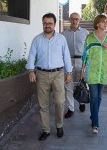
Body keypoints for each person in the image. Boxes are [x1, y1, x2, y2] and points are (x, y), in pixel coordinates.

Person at [26, 13, 73, 141]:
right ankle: (46, 130)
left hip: (58, 74)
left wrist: (69, 73)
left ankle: (59, 125)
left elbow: (67, 56)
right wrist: (31, 70)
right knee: (43, 105)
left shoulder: (61, 39)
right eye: (45, 23)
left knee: (59, 102)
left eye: (50, 23)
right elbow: (31, 56)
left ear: (54, 24)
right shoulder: (36, 39)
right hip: (41, 74)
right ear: (42, 24)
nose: (47, 25)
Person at [80, 15, 107, 134]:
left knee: (99, 97)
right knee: (94, 97)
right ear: (97, 23)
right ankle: (95, 124)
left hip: (104, 71)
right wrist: (82, 70)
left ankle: (93, 115)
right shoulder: (89, 37)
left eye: (106, 22)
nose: (105, 24)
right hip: (92, 71)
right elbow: (85, 55)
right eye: (103, 22)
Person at [61, 12, 89, 118]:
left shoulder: (85, 33)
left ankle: (81, 102)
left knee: (81, 83)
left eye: (77, 19)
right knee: (68, 85)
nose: (74, 21)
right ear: (69, 20)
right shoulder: (63, 34)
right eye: (72, 19)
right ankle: (71, 108)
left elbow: (88, 49)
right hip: (68, 62)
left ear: (80, 20)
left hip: (82, 62)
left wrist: (86, 63)